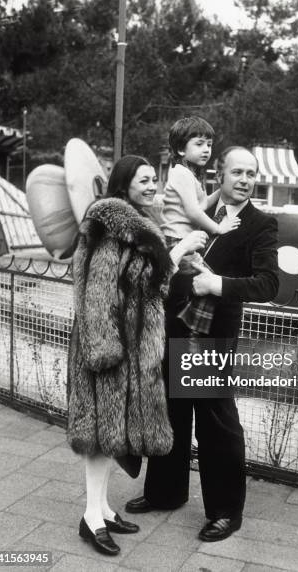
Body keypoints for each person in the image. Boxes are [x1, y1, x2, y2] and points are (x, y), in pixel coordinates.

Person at [125, 146, 279, 542]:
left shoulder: (260, 224)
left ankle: (226, 511)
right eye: (237, 172)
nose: (244, 179)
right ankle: (165, 493)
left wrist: (217, 283)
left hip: (210, 335)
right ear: (220, 177)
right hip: (174, 325)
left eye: (251, 173)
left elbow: (268, 284)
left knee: (215, 426)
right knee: (172, 414)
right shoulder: (195, 216)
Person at [67, 155, 208, 556]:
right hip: (108, 348)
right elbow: (96, 292)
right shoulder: (110, 224)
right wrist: (102, 350)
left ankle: (103, 509)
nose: (152, 186)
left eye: (155, 180)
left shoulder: (135, 225)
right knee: (98, 436)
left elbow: (148, 286)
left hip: (127, 347)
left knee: (110, 435)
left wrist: (173, 254)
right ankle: (91, 519)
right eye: (143, 180)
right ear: (124, 183)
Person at [161, 116, 241, 336]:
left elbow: (203, 203)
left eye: (209, 144)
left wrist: (223, 190)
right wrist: (219, 228)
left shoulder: (192, 175)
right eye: (199, 144)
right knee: (211, 284)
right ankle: (190, 325)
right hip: (177, 241)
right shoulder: (181, 173)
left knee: (206, 284)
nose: (206, 149)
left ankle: (189, 325)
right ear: (180, 149)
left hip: (185, 242)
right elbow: (194, 212)